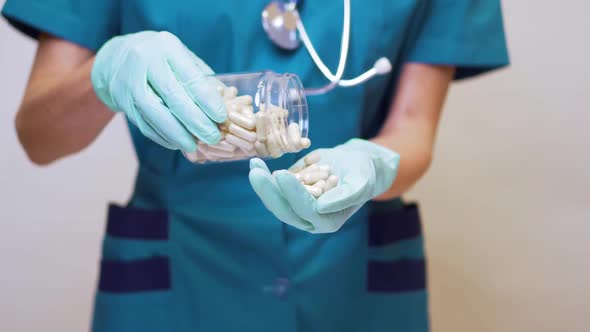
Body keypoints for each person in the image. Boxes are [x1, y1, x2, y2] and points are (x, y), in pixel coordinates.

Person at [1, 0, 509, 331]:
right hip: (178, 276)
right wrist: (107, 71)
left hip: (350, 281)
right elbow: (38, 137)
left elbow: (415, 126)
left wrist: (374, 164)